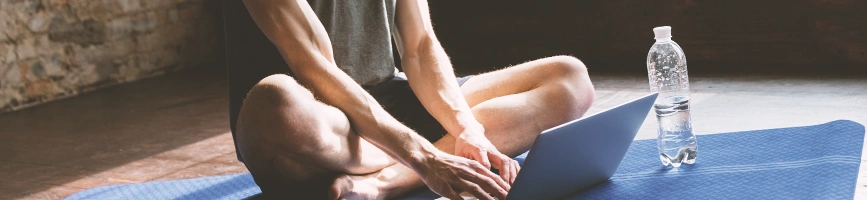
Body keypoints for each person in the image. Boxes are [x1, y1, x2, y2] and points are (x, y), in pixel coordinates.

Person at [223, 0, 594, 199]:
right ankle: (418, 156)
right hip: (318, 117)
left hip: (387, 100)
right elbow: (317, 69)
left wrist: (467, 127)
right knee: (277, 102)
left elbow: (418, 47)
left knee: (568, 77)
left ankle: (378, 185)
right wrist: (428, 157)